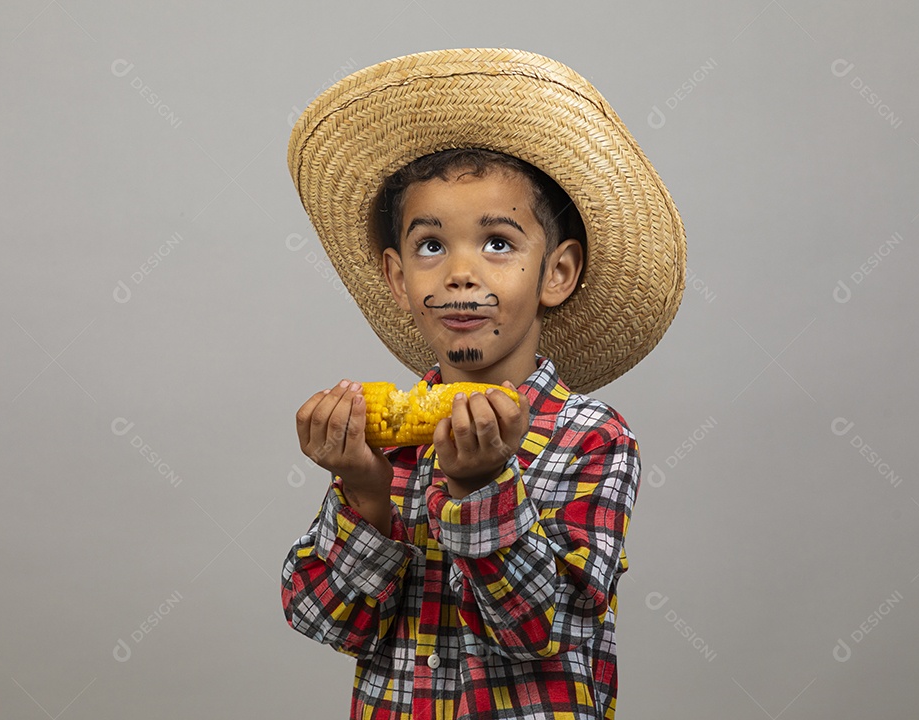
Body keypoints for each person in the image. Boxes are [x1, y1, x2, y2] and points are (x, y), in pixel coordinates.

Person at [280, 49, 686, 720]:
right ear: (396, 277)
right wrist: (364, 493)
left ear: (556, 273)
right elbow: (328, 624)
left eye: (498, 243)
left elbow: (537, 631)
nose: (460, 273)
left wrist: (480, 489)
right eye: (431, 247)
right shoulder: (388, 451)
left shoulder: (593, 441)